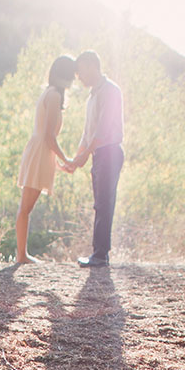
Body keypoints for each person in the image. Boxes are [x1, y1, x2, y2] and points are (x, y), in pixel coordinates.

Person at [65, 50, 124, 268]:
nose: (78, 77)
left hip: (109, 151)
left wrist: (81, 158)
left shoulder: (110, 91)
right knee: (100, 203)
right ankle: (99, 253)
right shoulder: (93, 96)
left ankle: (100, 255)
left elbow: (102, 131)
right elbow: (87, 133)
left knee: (104, 202)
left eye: (80, 71)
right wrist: (76, 158)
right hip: (99, 153)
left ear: (91, 66)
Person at [16, 55, 76, 264]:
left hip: (40, 151)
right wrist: (66, 158)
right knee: (25, 208)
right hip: (40, 151)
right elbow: (49, 136)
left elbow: (46, 136)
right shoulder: (53, 96)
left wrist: (57, 163)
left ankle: (22, 254)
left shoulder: (50, 94)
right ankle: (21, 255)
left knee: (26, 208)